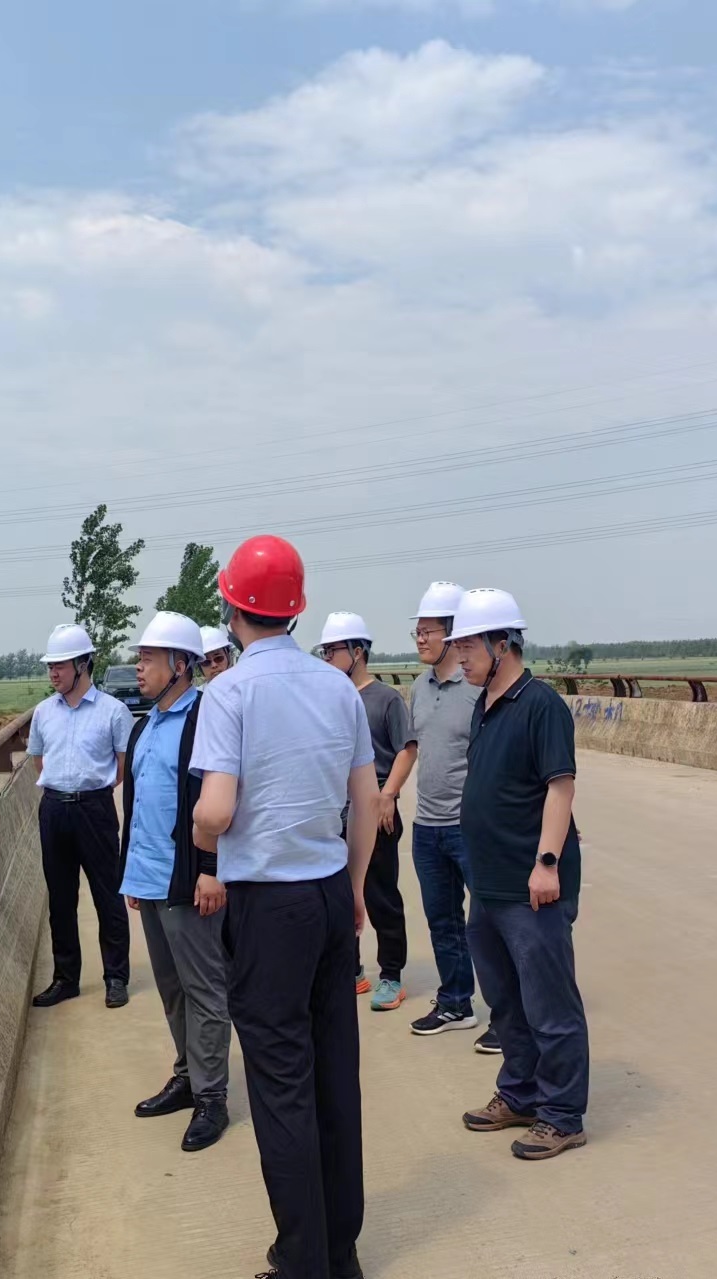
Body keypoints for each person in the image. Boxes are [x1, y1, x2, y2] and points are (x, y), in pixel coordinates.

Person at [191, 535, 378, 1279]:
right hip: (329, 891)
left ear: (232, 607)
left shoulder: (229, 693)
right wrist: (354, 889)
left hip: (268, 906)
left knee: (281, 1086)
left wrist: (203, 831)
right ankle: (340, 1249)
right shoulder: (337, 687)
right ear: (295, 609)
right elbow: (365, 802)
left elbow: (216, 808)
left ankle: (303, 1260)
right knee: (334, 1075)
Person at [449, 588, 589, 1162]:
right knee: (505, 1001)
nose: (459, 656)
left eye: (468, 645)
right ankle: (521, 1094)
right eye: (457, 645)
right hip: (487, 883)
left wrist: (547, 862)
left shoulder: (540, 705)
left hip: (531, 885)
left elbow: (560, 787)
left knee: (550, 1005)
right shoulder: (484, 705)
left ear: (502, 643)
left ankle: (562, 1115)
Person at [120, 611, 232, 1153]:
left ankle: (213, 1098)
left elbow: (219, 803)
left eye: (148, 658)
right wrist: (131, 875)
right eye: (138, 658)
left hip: (189, 880)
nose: (138, 668)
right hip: (150, 880)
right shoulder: (144, 725)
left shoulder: (205, 720)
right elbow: (137, 806)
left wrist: (210, 870)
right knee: (171, 988)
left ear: (181, 665)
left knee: (204, 989)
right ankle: (188, 1076)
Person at [403, 583, 499, 1053]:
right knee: (442, 921)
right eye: (417, 632)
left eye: (429, 631)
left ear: (454, 632)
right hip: (427, 825)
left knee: (489, 924)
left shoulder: (478, 688)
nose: (421, 639)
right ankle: (456, 1003)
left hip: (470, 827)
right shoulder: (419, 688)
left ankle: (507, 1016)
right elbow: (415, 748)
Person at [26, 622, 134, 1010]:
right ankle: (66, 978)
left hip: (95, 810)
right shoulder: (43, 713)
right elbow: (40, 761)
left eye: (60, 665)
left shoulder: (113, 712)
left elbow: (122, 767)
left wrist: (89, 791)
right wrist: (62, 789)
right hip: (54, 809)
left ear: (83, 664)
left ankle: (116, 977)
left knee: (108, 895)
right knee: (60, 898)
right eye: (50, 666)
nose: (53, 673)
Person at [317, 611, 415, 1012]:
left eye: (332, 650)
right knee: (340, 893)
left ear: (358, 651)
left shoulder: (385, 699)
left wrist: (387, 795)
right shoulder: (331, 698)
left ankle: (391, 974)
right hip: (337, 809)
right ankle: (352, 969)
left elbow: (407, 749)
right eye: (323, 652)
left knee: (379, 894)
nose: (327, 658)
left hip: (375, 806)